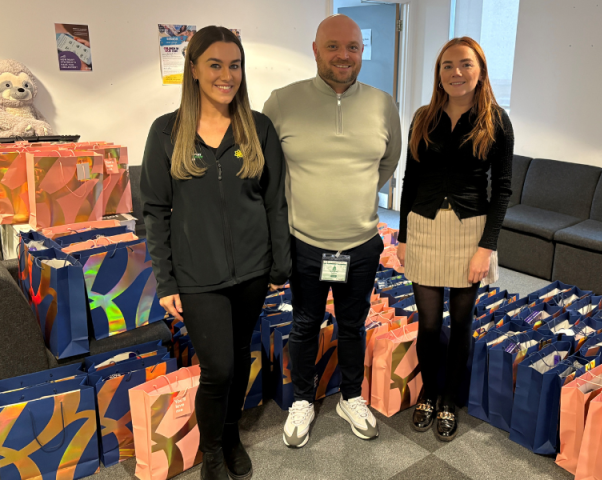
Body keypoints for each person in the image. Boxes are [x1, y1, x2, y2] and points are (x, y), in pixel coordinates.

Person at [141, 26, 290, 480]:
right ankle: (211, 454)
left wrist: (279, 263)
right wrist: (166, 280)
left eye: (235, 65)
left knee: (242, 354)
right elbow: (154, 210)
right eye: (215, 64)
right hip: (198, 276)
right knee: (218, 368)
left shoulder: (258, 127)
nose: (227, 75)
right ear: (193, 69)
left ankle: (231, 436)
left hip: (252, 271)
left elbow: (274, 200)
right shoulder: (166, 132)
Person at [262, 14, 402, 448]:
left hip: (361, 244)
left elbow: (387, 163)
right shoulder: (282, 102)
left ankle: (351, 396)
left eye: (353, 47)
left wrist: (352, 193)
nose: (344, 55)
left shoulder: (382, 103)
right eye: (334, 46)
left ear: (362, 52)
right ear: (316, 49)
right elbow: (270, 172)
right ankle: (303, 399)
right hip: (305, 244)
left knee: (353, 325)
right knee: (304, 324)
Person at [396, 37, 514, 441]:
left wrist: (487, 246)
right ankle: (430, 389)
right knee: (429, 323)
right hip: (424, 225)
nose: (456, 73)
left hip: (470, 231)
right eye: (447, 65)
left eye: (465, 64)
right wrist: (403, 235)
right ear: (438, 73)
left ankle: (449, 397)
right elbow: (410, 180)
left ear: (479, 70)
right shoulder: (423, 117)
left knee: (461, 321)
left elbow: (502, 190)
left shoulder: (496, 120)